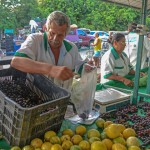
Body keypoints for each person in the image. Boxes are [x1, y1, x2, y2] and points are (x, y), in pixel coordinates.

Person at [11, 11, 86, 90]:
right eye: (52, 33)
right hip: (38, 99)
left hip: (63, 99)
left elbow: (81, 67)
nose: (55, 38)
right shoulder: (35, 40)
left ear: (66, 34)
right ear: (45, 28)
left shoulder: (72, 48)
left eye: (60, 35)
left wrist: (89, 69)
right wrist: (50, 69)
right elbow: (16, 61)